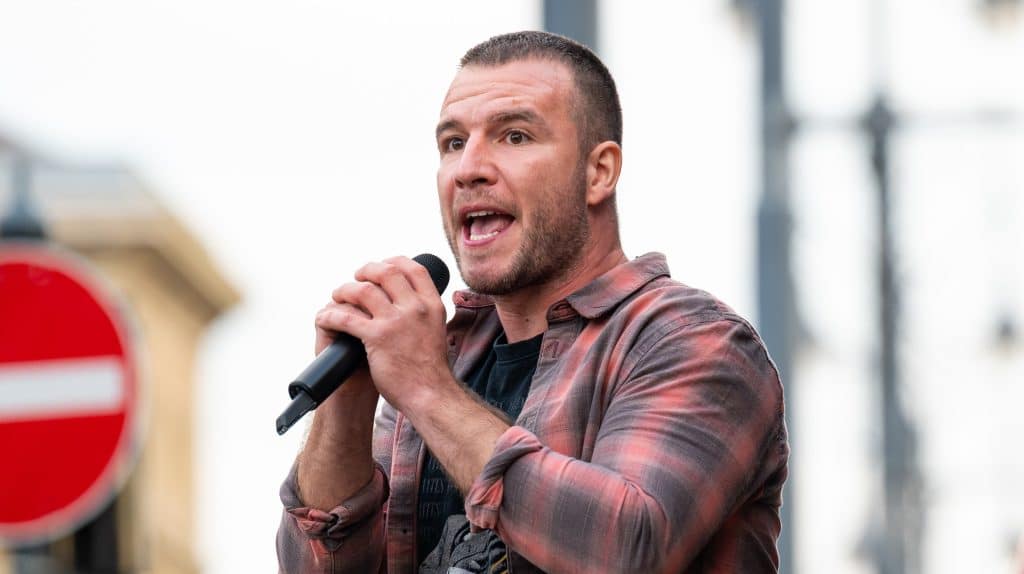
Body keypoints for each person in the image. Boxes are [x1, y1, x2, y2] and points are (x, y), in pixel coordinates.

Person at [277, 31, 788, 574]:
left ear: (599, 172)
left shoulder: (692, 341)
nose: (469, 168)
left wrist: (427, 390)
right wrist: (345, 407)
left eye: (515, 137)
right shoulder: (438, 360)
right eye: (453, 143)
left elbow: (627, 549)